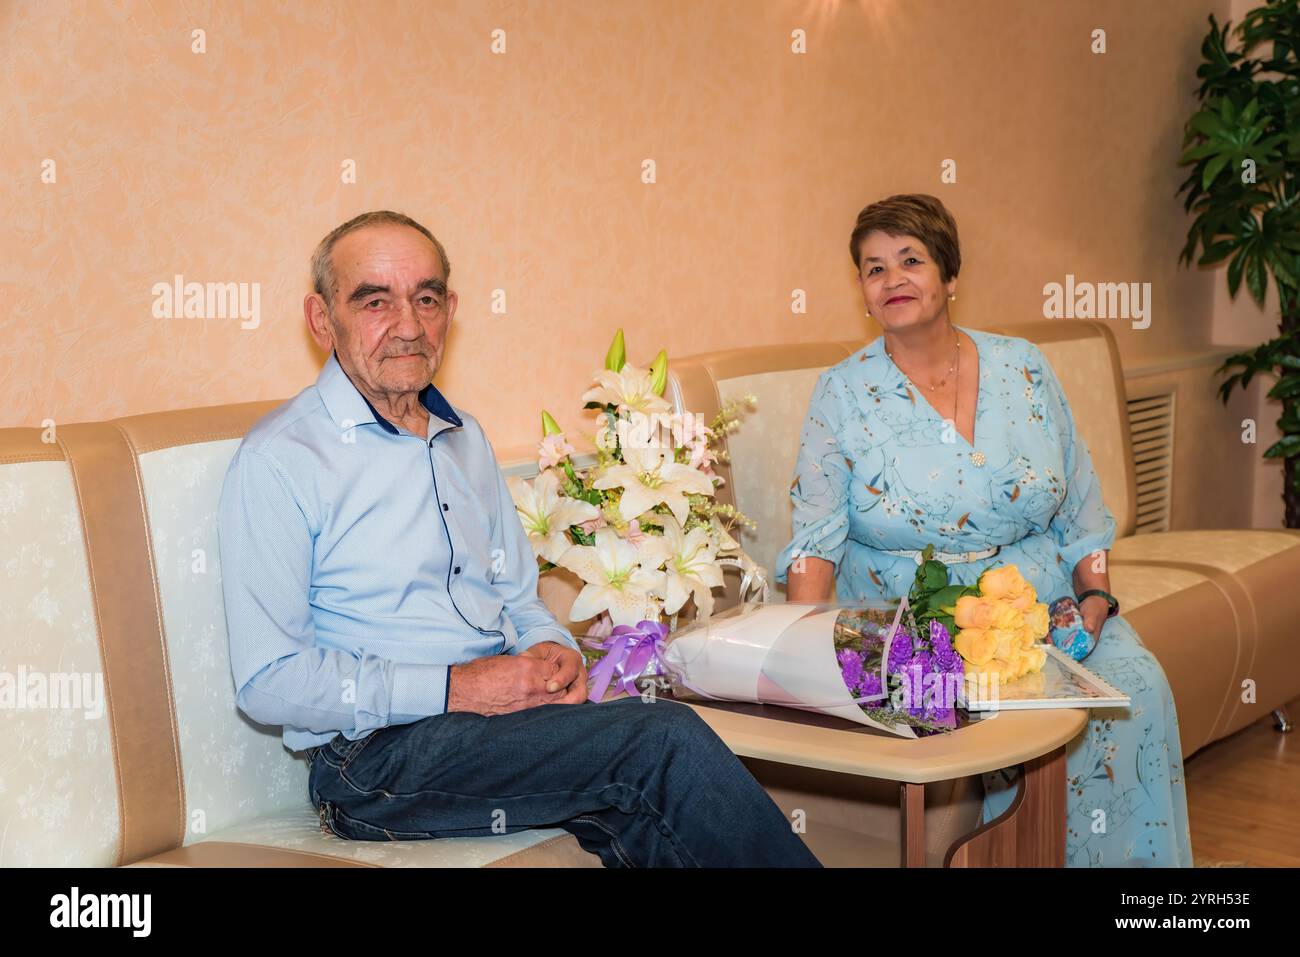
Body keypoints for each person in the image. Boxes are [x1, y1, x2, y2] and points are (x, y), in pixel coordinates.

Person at [217, 210, 819, 868]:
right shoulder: (282, 456)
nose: (409, 325)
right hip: (372, 761)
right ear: (321, 318)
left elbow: (517, 596)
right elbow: (269, 680)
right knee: (658, 739)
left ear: (451, 309)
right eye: (374, 300)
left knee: (647, 811)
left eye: (425, 298)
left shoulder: (464, 438)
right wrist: (454, 688)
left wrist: (551, 648)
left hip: (492, 729)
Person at [775, 194, 1192, 867]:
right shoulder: (841, 392)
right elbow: (814, 536)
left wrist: (1093, 603)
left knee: (1135, 686)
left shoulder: (1024, 366)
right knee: (977, 720)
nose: (893, 279)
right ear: (863, 291)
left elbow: (1081, 504)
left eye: (911, 259)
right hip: (907, 614)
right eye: (874, 268)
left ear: (950, 275)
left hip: (1038, 602)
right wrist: (798, 650)